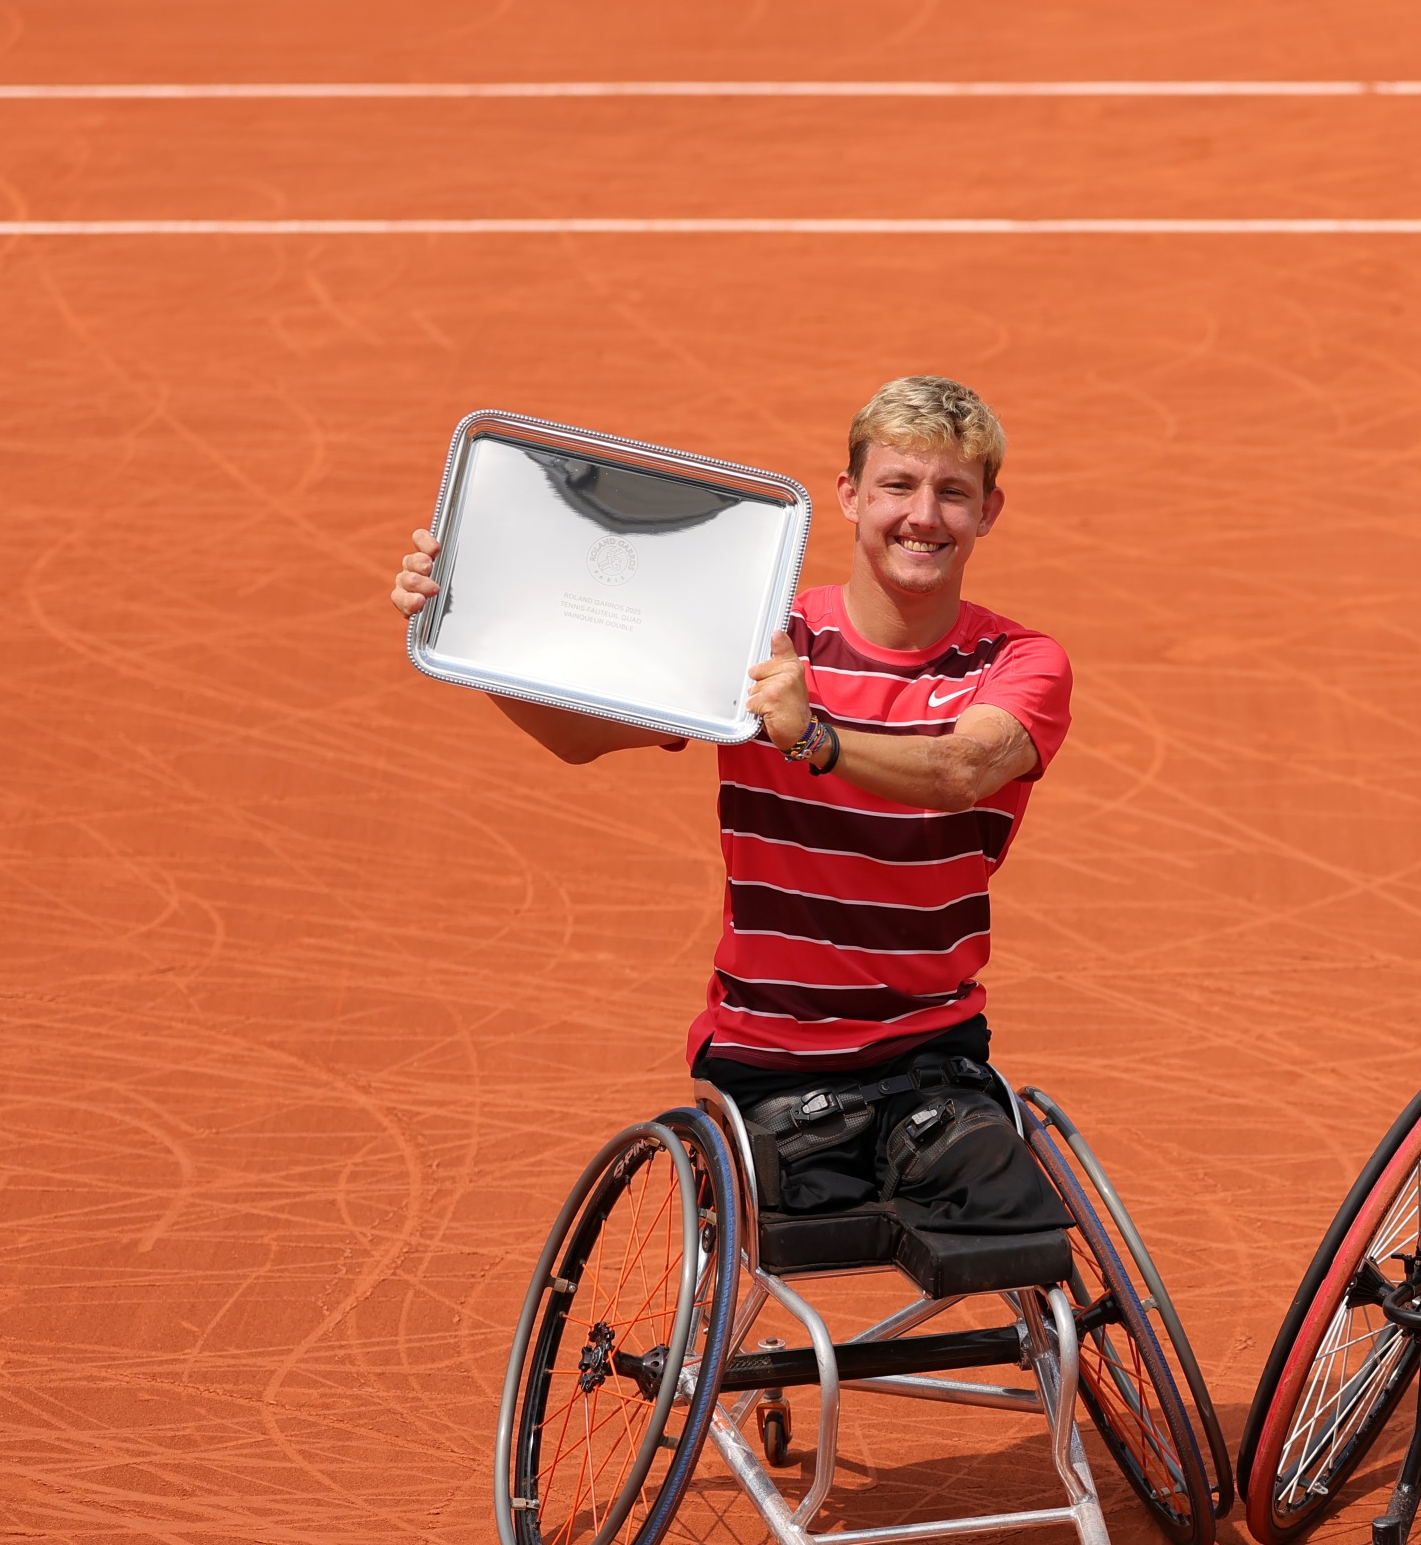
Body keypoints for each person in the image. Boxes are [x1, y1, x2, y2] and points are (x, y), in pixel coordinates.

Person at [388, 374, 1073, 1234]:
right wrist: (466, 620)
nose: (923, 516)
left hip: (934, 1060)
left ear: (989, 511)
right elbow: (577, 737)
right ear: (850, 495)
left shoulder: (1021, 661)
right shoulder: (761, 640)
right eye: (898, 485)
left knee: (1031, 1234)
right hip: (772, 1061)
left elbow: (961, 771)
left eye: (953, 494)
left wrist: (811, 737)